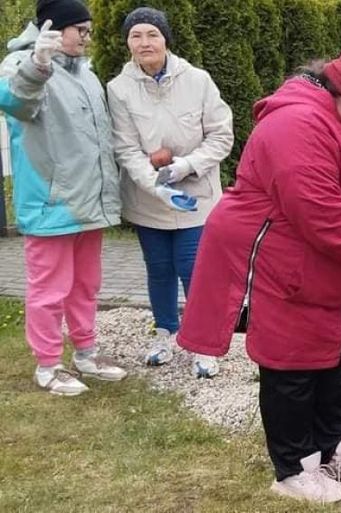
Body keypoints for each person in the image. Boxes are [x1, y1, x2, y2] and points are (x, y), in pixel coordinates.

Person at [175, 35, 341, 503]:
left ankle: (335, 448)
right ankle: (293, 467)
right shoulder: (294, 124)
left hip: (328, 269)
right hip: (284, 266)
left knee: (337, 360)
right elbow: (320, 214)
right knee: (291, 369)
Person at [0, 0, 126, 396]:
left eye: (89, 32)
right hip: (51, 204)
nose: (87, 39)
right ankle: (47, 365)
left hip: (89, 203)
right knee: (49, 290)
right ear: (55, 29)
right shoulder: (20, 64)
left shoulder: (85, 74)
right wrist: (38, 63)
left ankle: (86, 354)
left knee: (85, 286)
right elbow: (15, 102)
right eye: (81, 31)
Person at [107, 7, 234, 378]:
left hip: (196, 196)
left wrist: (186, 165)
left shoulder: (198, 80)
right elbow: (126, 148)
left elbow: (222, 135)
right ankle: (165, 332)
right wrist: (156, 184)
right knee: (159, 269)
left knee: (194, 269)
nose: (144, 42)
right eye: (136, 36)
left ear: (165, 40)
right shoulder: (118, 89)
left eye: (152, 34)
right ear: (127, 42)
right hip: (149, 199)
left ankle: (202, 344)